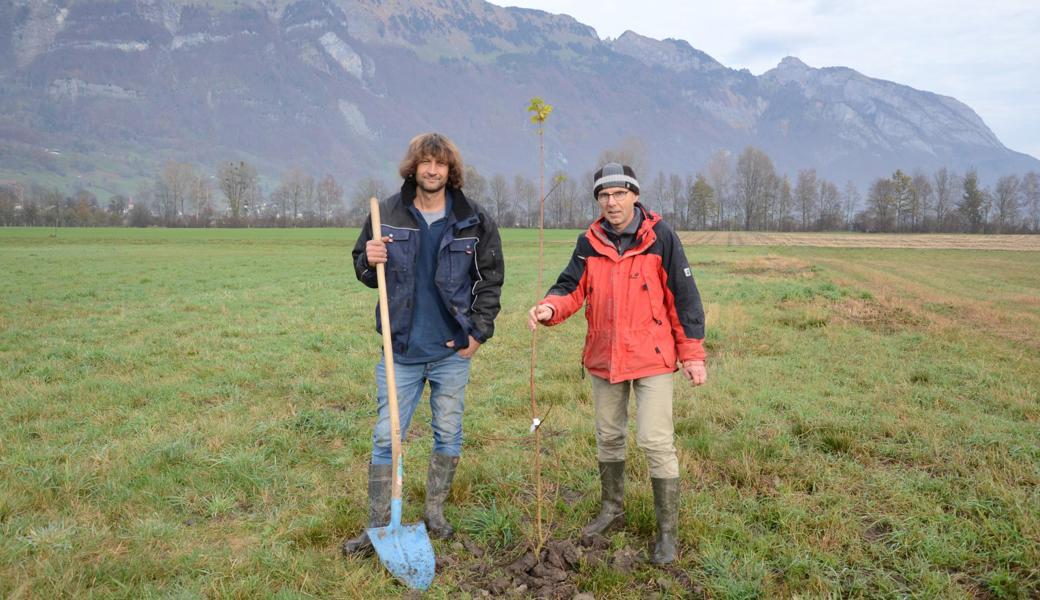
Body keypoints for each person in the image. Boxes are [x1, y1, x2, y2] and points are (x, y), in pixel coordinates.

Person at [527, 162, 707, 565]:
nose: (611, 202)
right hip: (604, 357)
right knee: (608, 436)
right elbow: (570, 288)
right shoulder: (589, 241)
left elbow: (684, 297)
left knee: (655, 441)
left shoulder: (661, 237)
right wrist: (548, 308)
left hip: (653, 358)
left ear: (635, 196)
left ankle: (666, 533)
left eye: (619, 194)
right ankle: (613, 509)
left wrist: (692, 354)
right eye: (604, 196)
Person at [342, 133, 504, 555]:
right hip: (402, 351)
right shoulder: (387, 214)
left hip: (451, 350)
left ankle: (434, 513)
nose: (433, 170)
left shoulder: (474, 219)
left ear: (451, 171)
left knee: (448, 432)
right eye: (425, 162)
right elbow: (363, 268)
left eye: (441, 164)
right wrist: (368, 259)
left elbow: (491, 282)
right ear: (412, 168)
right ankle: (378, 526)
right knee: (385, 436)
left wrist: (478, 333)